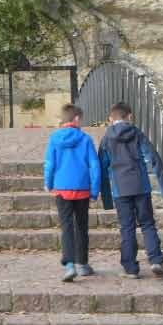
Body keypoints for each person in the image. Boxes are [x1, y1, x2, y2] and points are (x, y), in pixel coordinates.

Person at [98, 102, 163, 279]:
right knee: (147, 223)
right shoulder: (138, 134)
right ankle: (155, 260)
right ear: (129, 116)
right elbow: (153, 159)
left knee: (126, 227)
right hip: (141, 186)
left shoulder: (107, 138)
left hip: (120, 189)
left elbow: (102, 167)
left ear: (111, 119)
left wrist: (107, 199)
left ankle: (130, 268)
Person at [43, 104, 100, 282]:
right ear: (76, 119)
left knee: (66, 226)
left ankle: (69, 265)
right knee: (81, 226)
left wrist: (48, 183)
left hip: (62, 188)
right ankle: (82, 264)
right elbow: (94, 165)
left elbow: (49, 164)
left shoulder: (54, 138)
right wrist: (95, 189)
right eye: (80, 119)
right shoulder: (85, 139)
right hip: (82, 189)